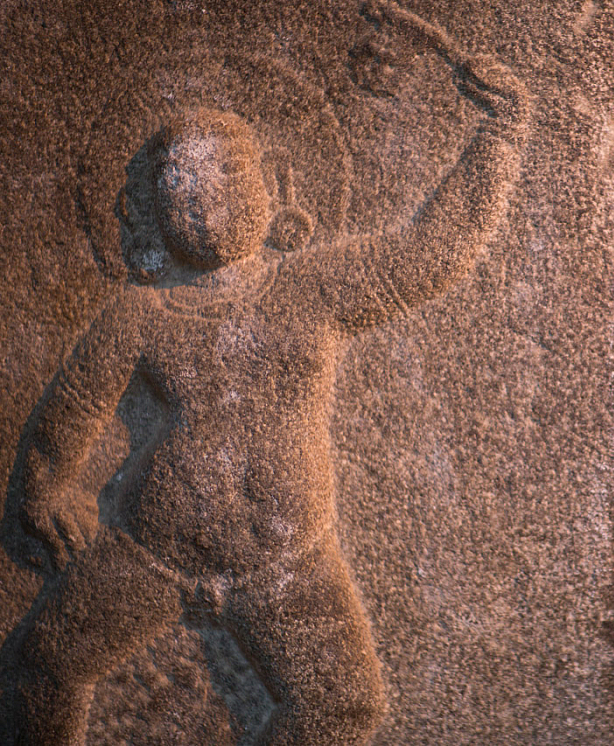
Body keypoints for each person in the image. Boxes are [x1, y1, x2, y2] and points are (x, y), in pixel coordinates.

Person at [2, 4, 529, 744]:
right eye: (181, 182)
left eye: (226, 172)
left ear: (275, 188)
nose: (204, 196)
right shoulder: (142, 311)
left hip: (287, 555)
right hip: (154, 545)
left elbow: (429, 252)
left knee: (343, 704)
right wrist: (44, 486)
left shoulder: (313, 287)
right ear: (149, 210)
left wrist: (500, 138)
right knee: (43, 666)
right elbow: (76, 402)